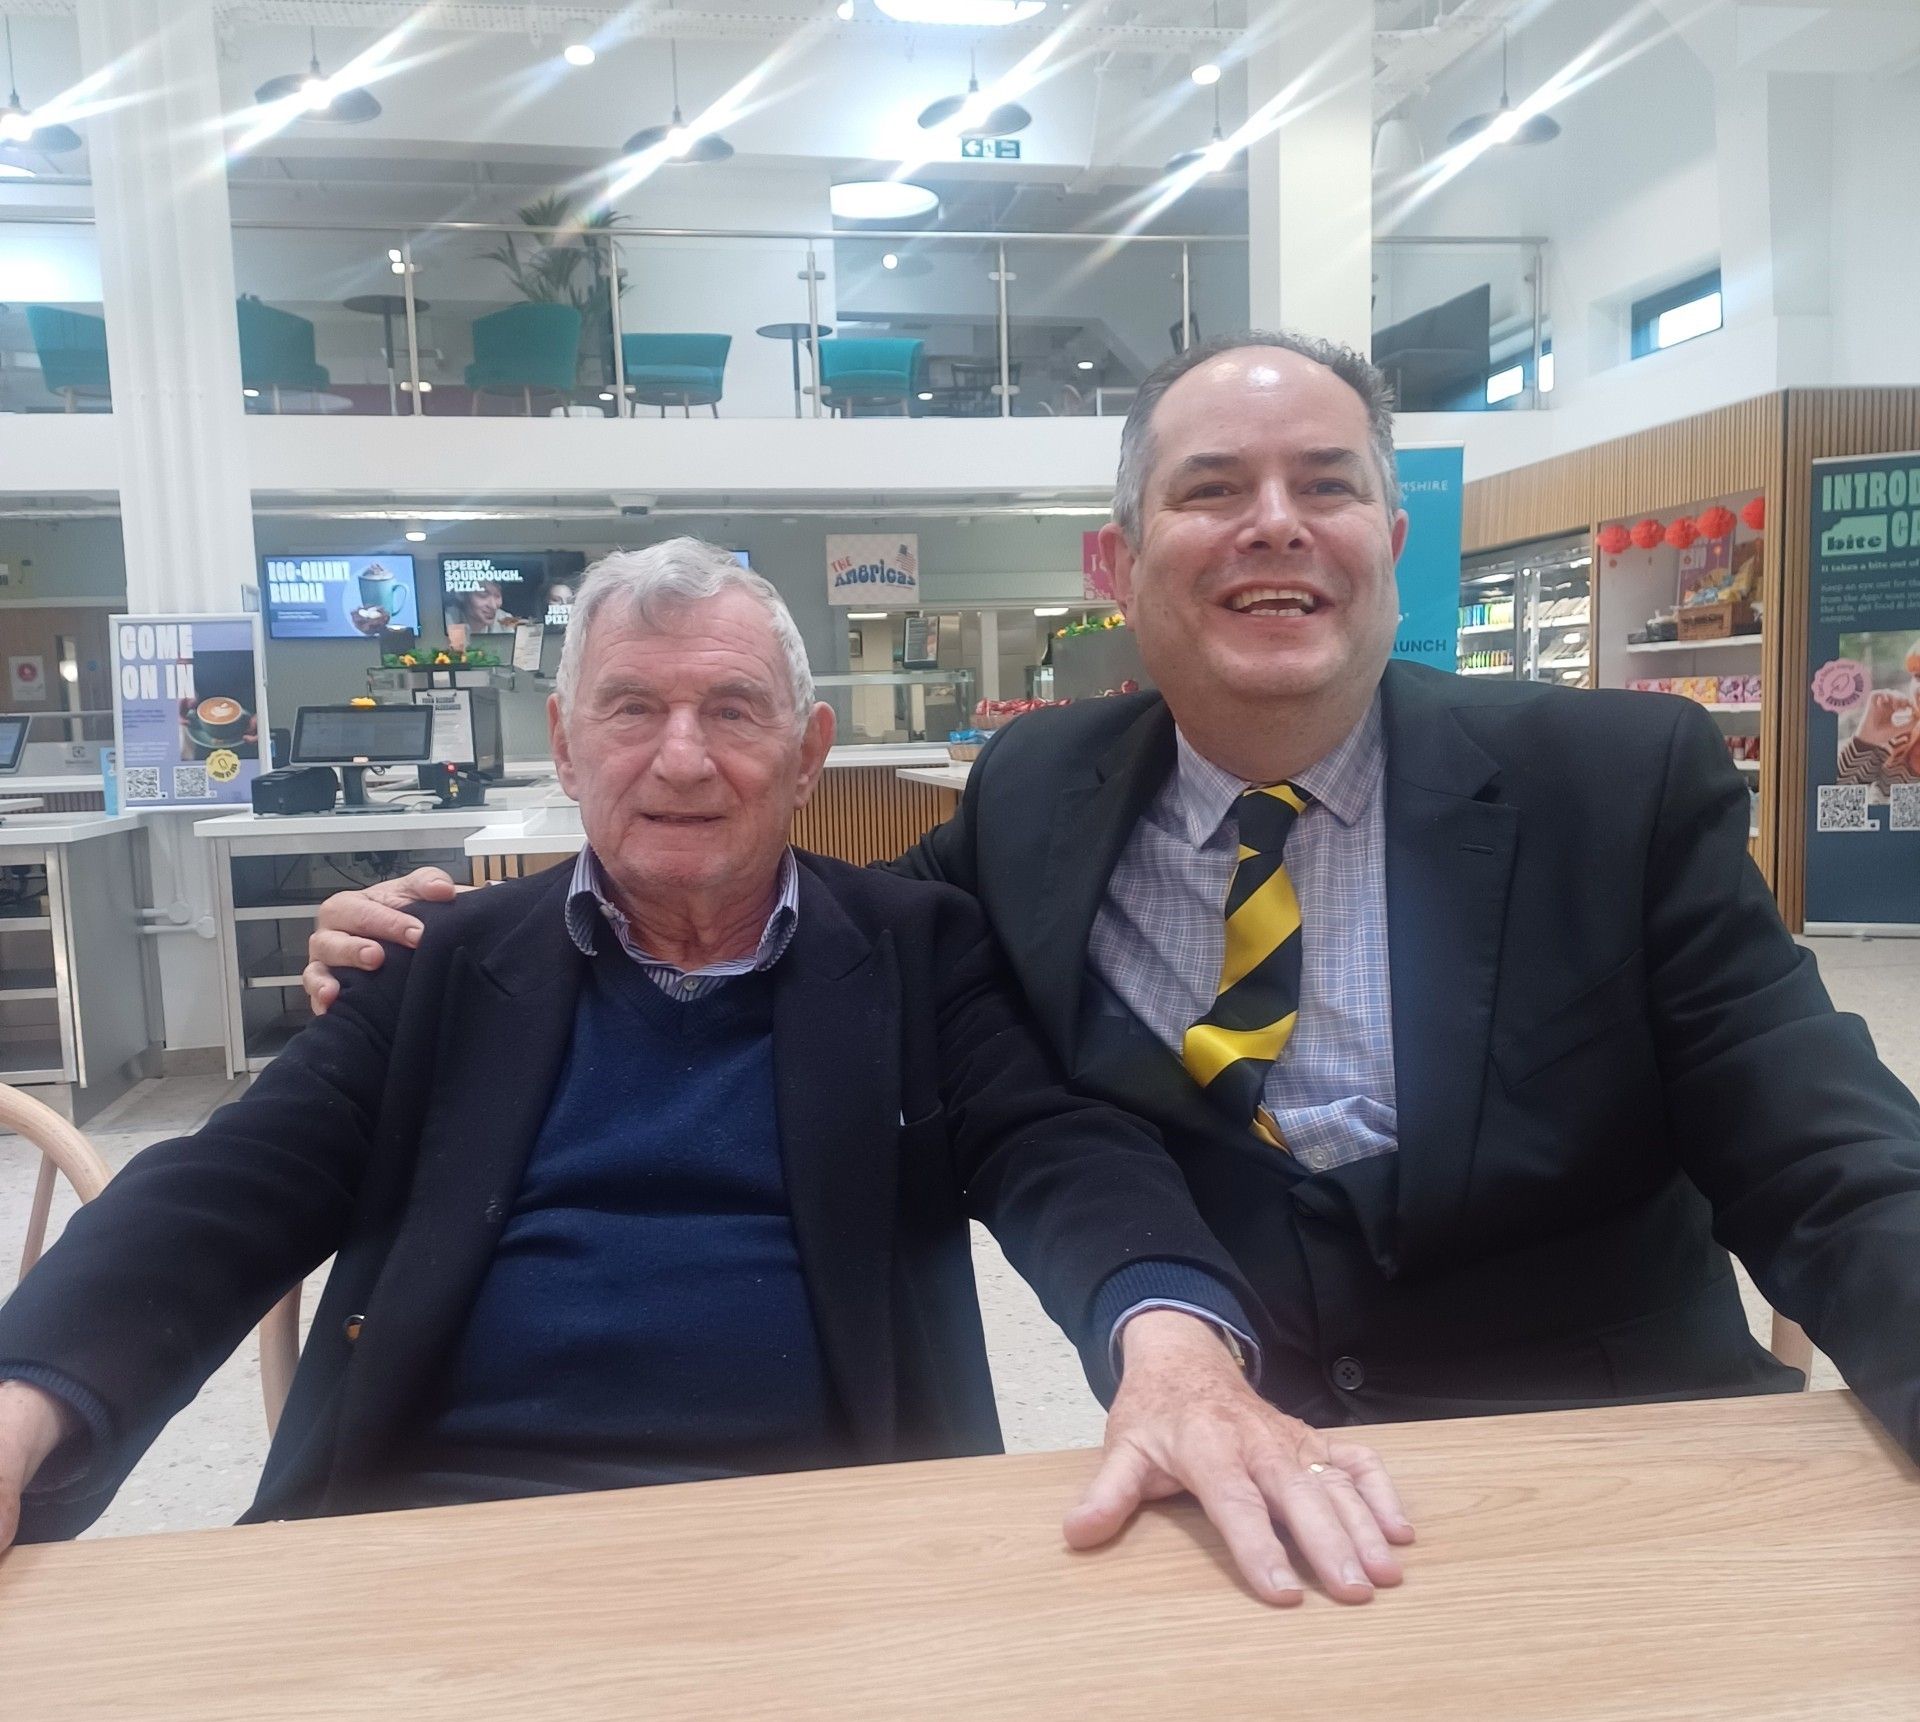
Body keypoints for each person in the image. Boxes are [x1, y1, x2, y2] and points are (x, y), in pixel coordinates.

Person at [307, 334, 1920, 1463]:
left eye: (1327, 485)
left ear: (1392, 536)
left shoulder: (1615, 782)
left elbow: (1831, 1157)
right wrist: (448, 954)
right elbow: (795, 928)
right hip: (1221, 1462)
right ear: (1116, 561)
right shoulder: (1035, 794)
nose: (1275, 523)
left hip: (1606, 1460)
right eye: (1214, 486)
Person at [0, 541, 1412, 1608]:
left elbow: (1060, 1148)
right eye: (631, 709)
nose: (682, 758)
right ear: (566, 744)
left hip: (834, 1548)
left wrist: (1171, 1343)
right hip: (434, 1542)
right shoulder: (436, 962)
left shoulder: (920, 950)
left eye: (733, 711)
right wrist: (20, 1404)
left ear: (808, 754)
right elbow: (220, 1194)